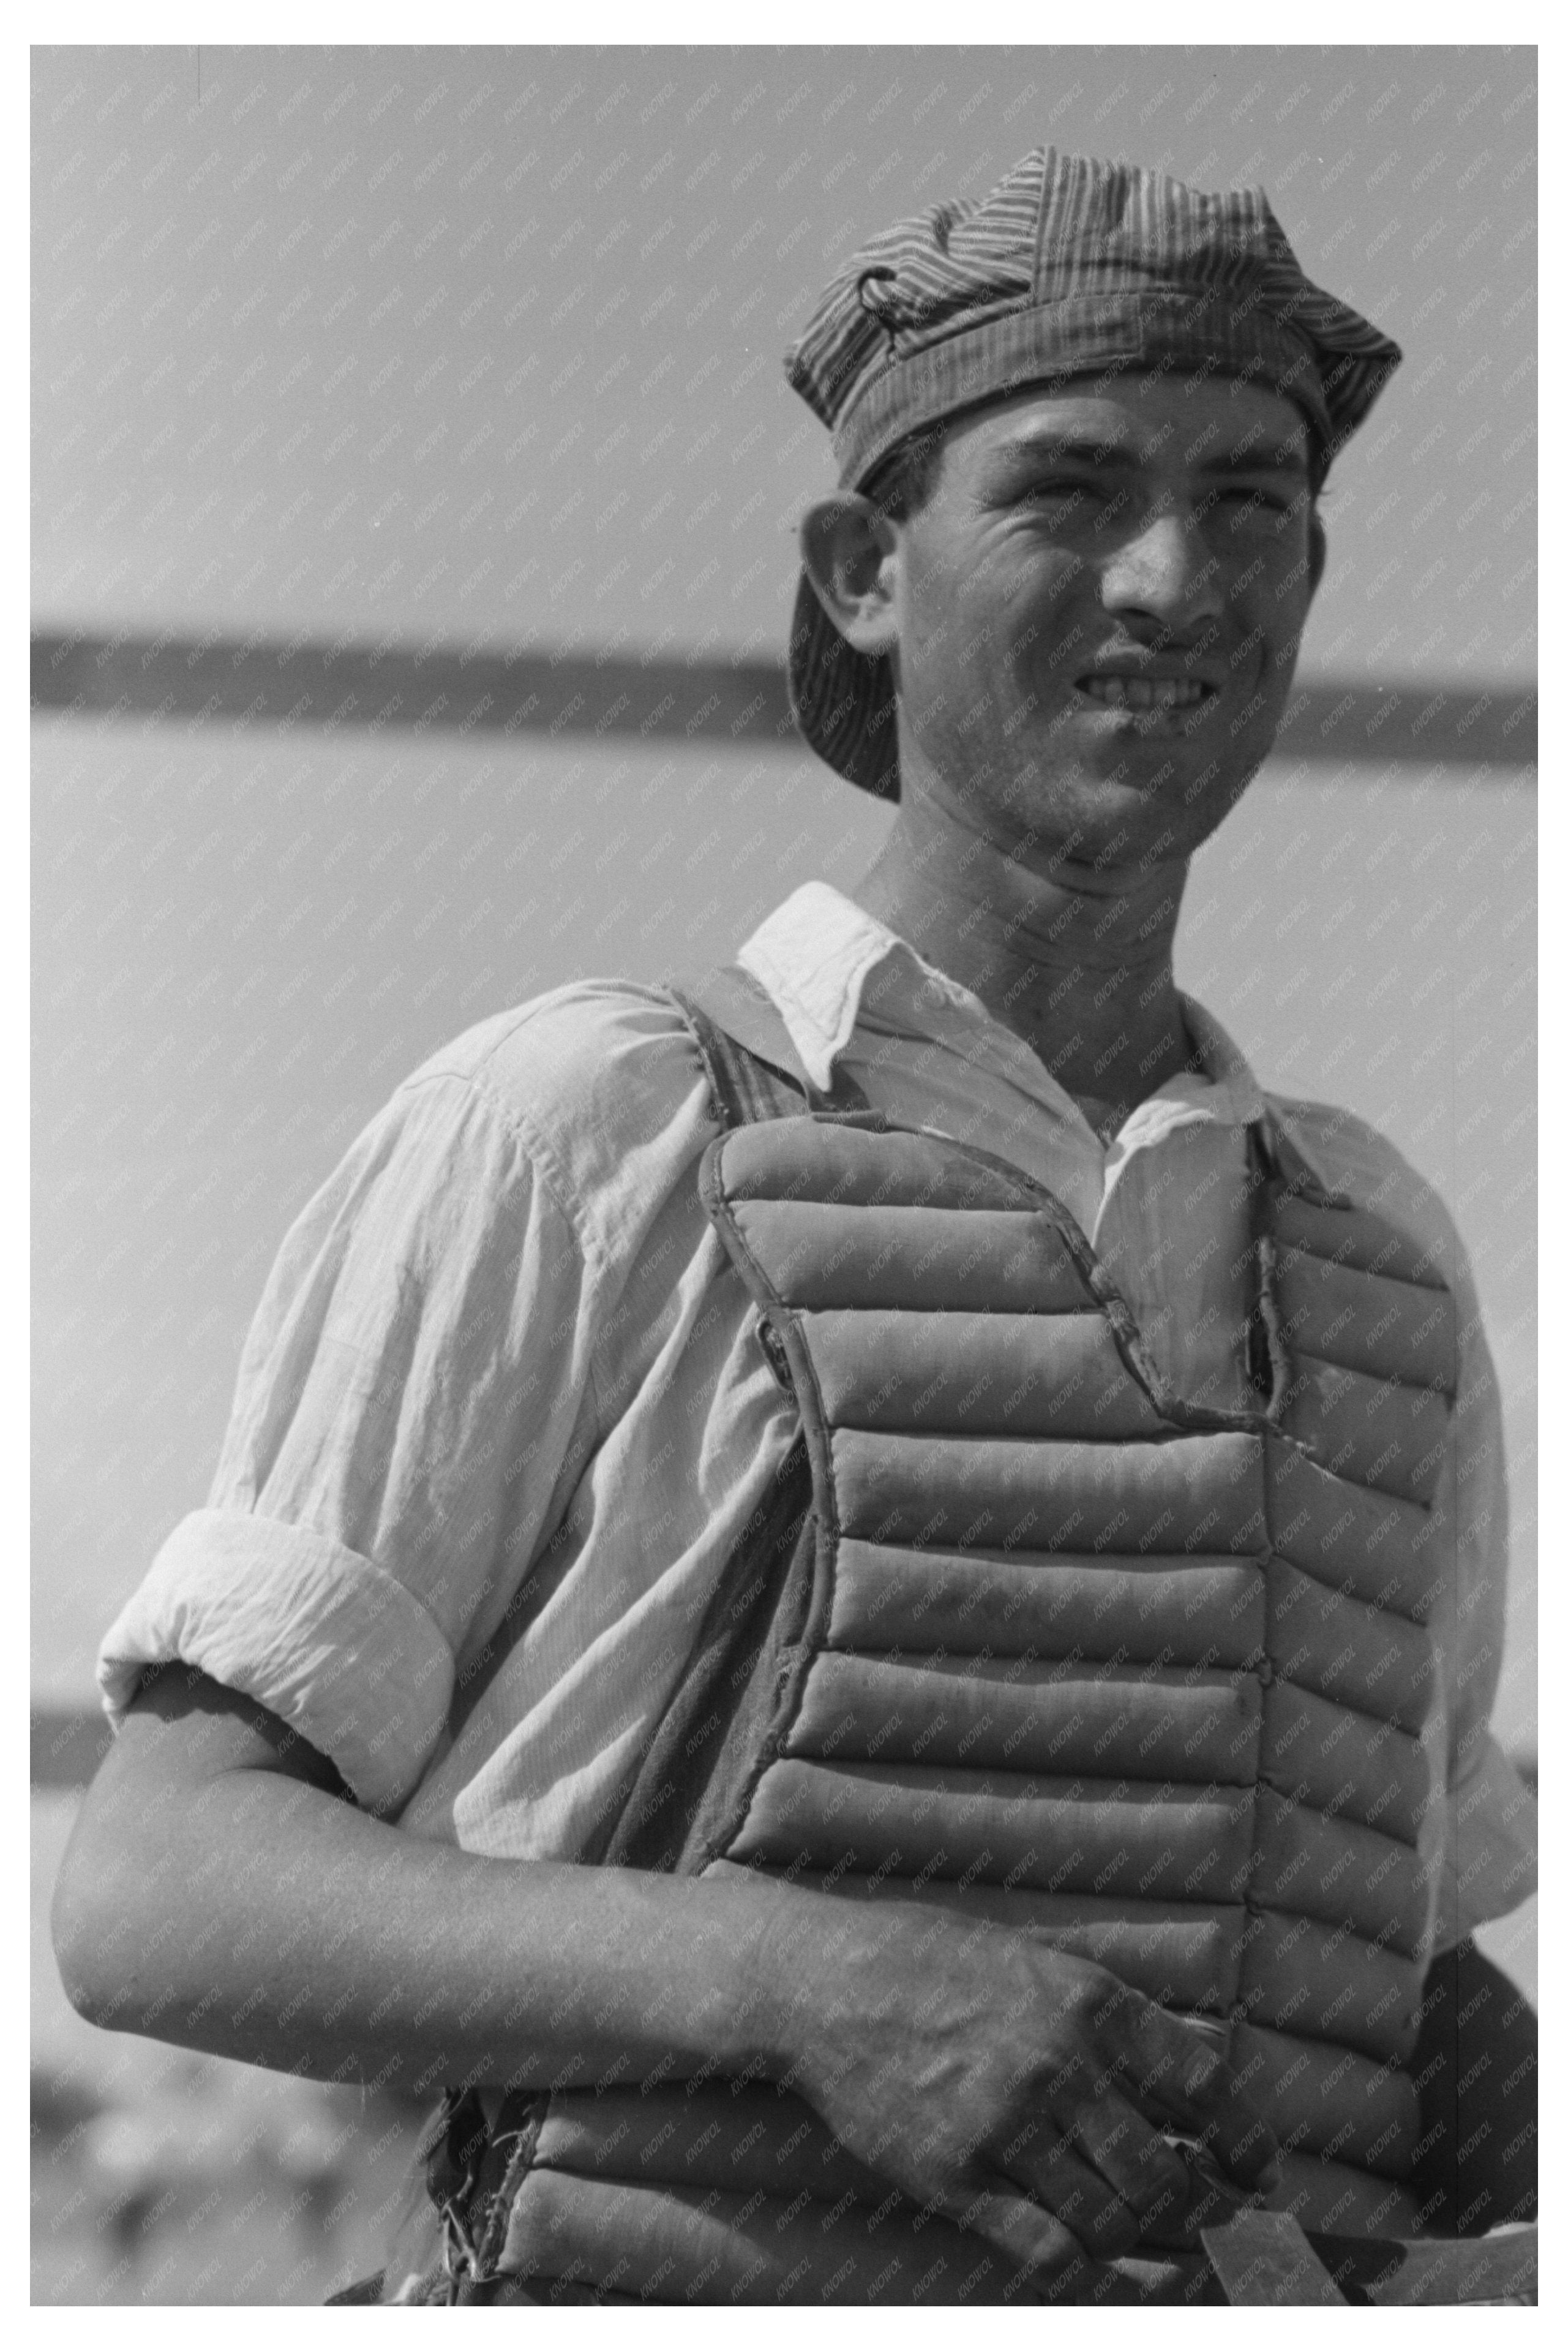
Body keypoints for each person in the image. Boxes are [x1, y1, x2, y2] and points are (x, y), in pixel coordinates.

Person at [53, 146, 1537, 2306]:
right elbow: (160, 1891)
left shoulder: (1377, 1255)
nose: (1171, 581)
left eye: (1252, 504)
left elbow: (1396, 1982)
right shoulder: (590, 1124)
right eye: (1067, 490)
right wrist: (791, 1979)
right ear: (861, 571)